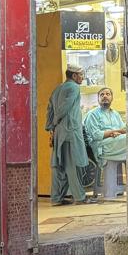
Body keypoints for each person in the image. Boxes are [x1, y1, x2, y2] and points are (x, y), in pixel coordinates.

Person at [46, 65, 92, 206]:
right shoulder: (73, 88)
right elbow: (63, 108)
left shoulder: (57, 89)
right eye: (81, 75)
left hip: (60, 132)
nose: (82, 78)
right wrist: (56, 121)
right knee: (72, 165)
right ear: (74, 76)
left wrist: (51, 127)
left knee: (60, 166)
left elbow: (50, 109)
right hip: (69, 132)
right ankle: (79, 197)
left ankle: (56, 198)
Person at [83, 87, 126, 200]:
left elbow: (123, 129)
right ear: (98, 99)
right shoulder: (92, 114)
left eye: (107, 94)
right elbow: (96, 135)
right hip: (102, 147)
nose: (105, 96)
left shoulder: (115, 114)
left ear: (112, 98)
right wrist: (114, 132)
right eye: (102, 95)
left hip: (117, 143)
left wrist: (118, 132)